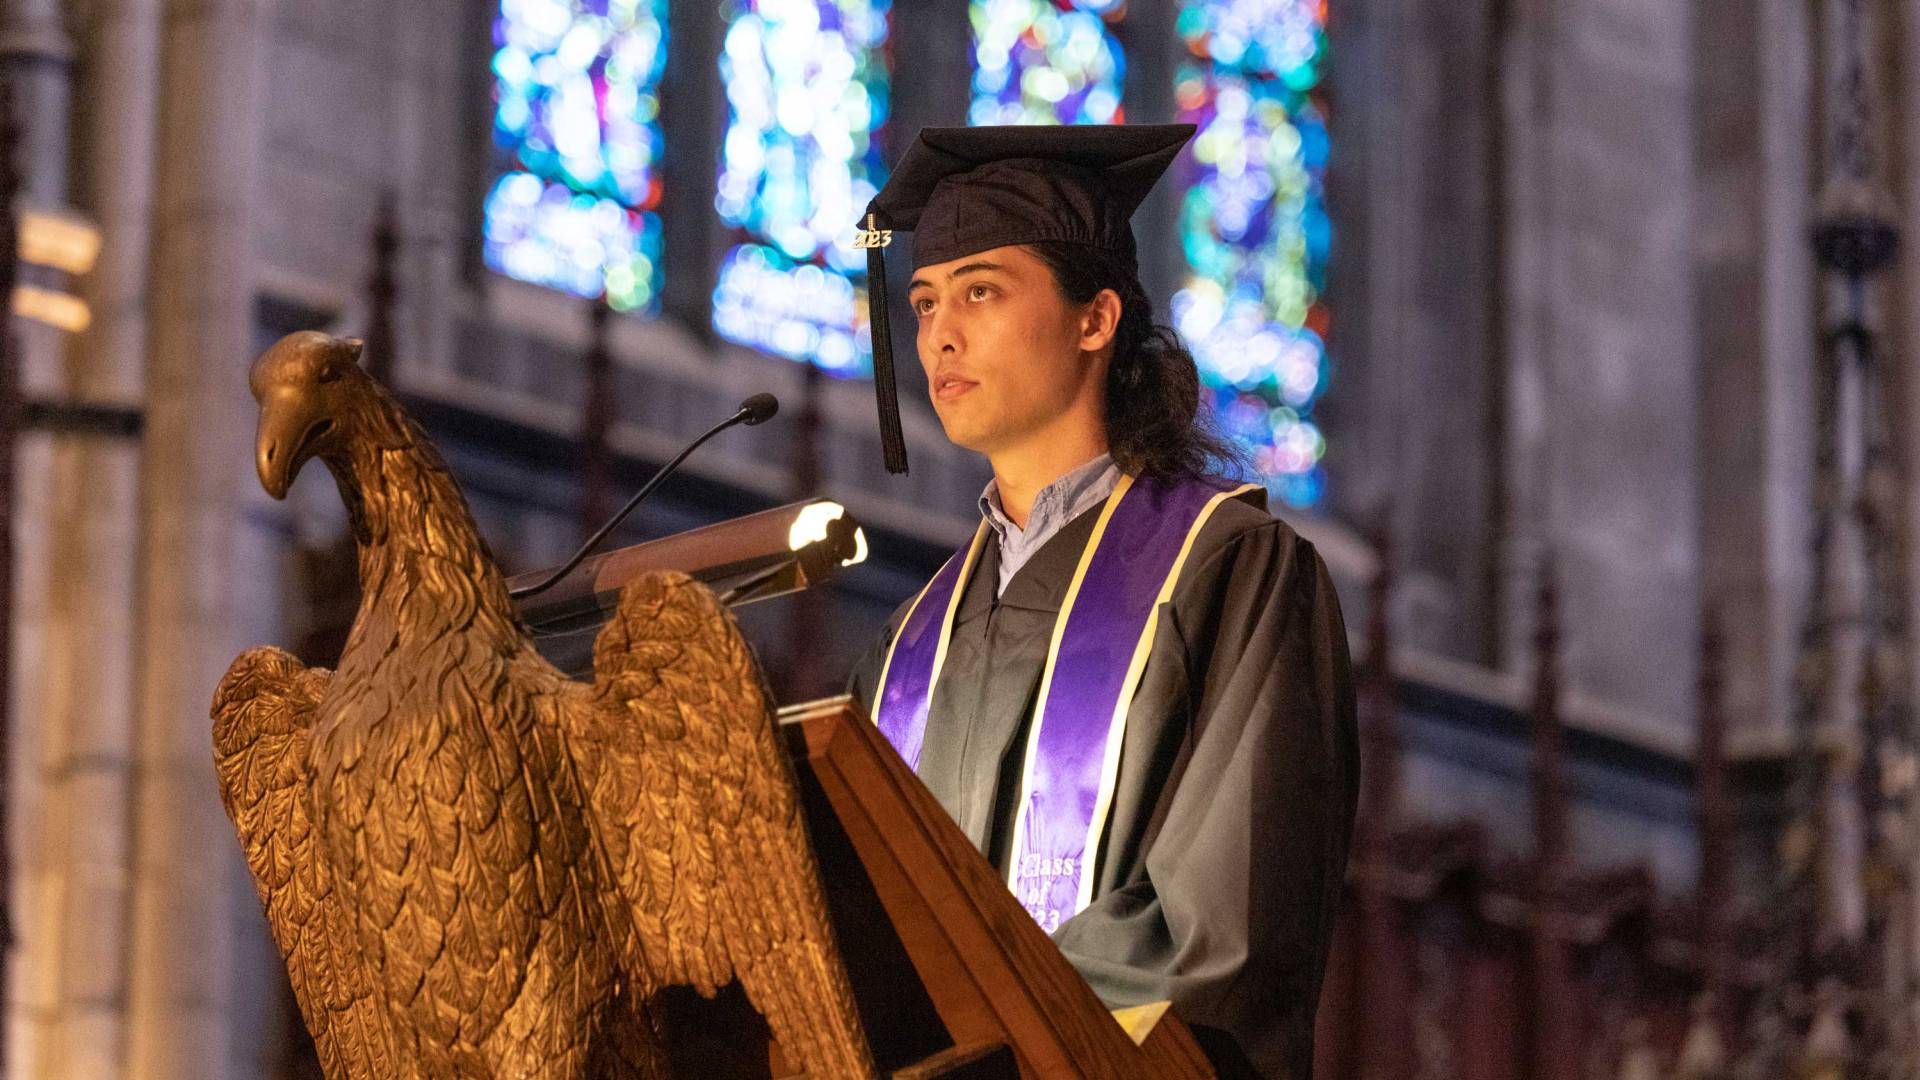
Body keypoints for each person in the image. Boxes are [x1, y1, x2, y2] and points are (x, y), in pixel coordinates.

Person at [844, 123, 1359, 1080]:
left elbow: (1224, 929)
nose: (938, 334)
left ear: (1096, 319)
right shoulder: (910, 642)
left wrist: (984, 1055)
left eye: (981, 293)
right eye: (922, 303)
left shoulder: (1231, 572)